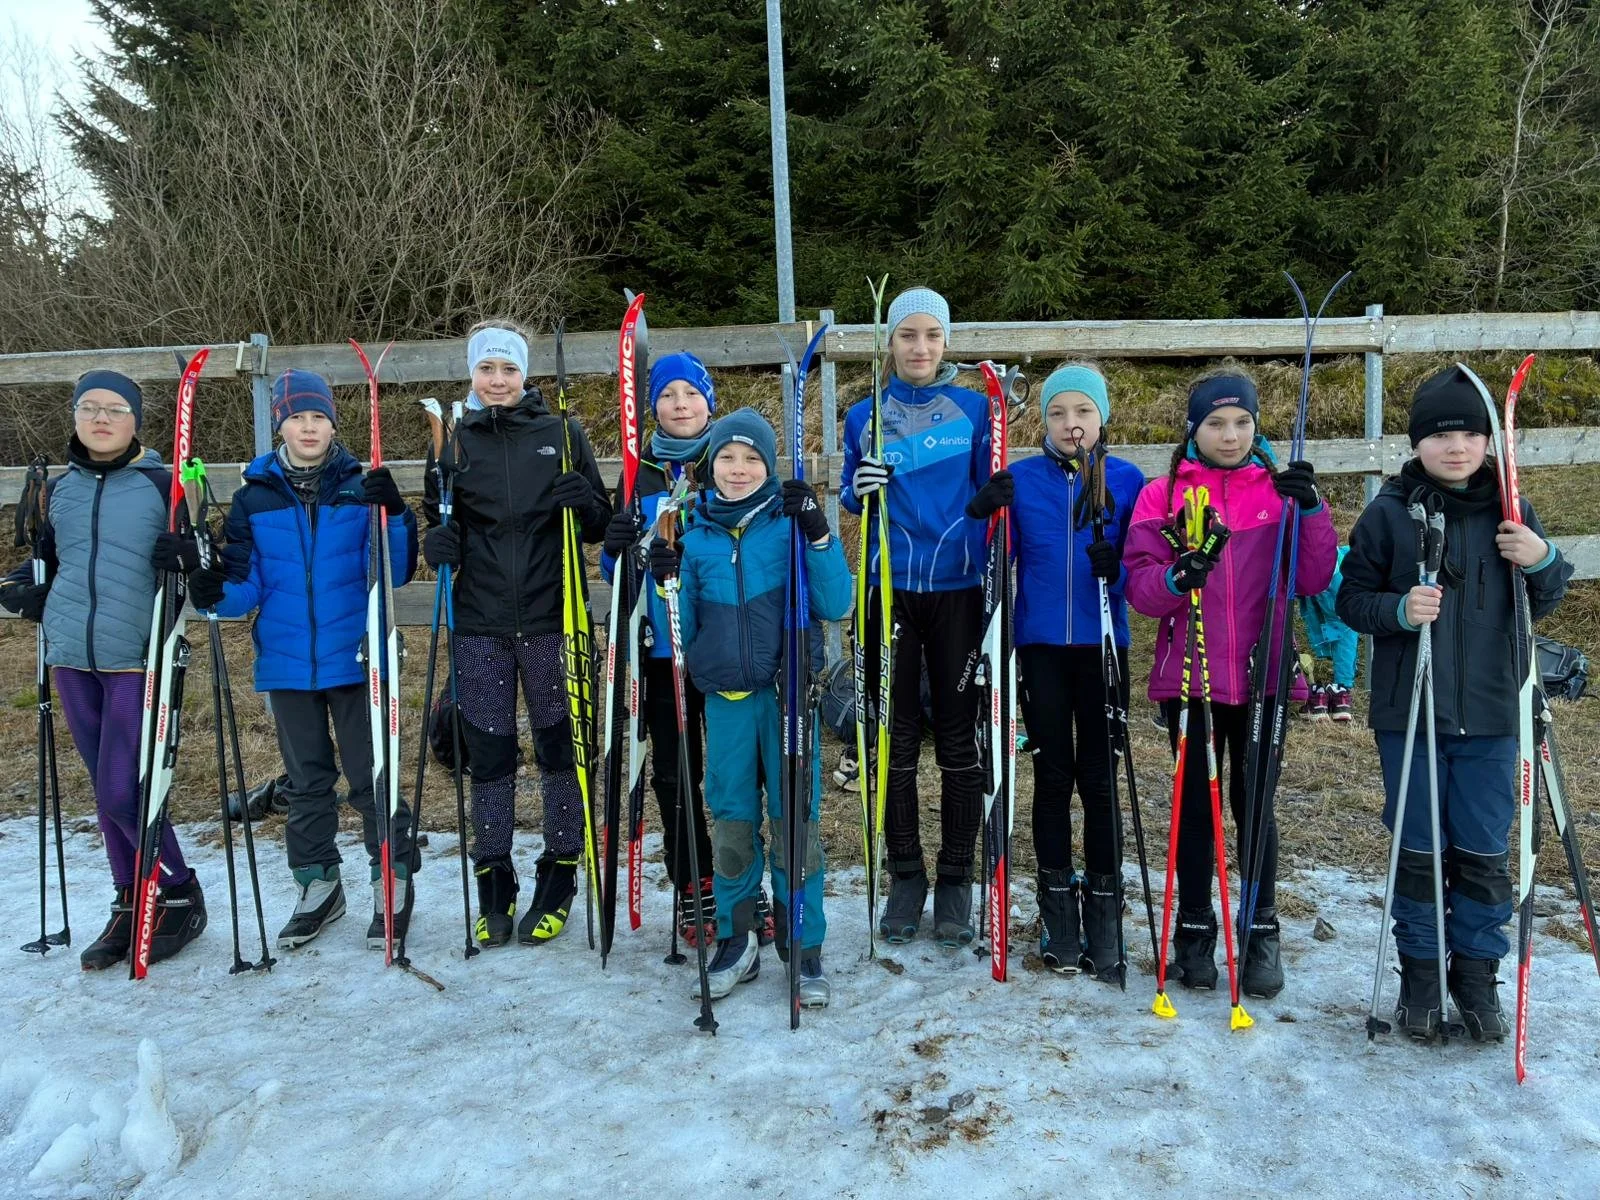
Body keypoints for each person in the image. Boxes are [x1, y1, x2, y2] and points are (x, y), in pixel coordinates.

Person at [1336, 364, 1571, 1041]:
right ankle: (1420, 975)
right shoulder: (1388, 513)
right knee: (1418, 849)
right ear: (1417, 444)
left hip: (1494, 713)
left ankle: (1475, 977)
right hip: (1410, 713)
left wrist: (1540, 557)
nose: (1457, 447)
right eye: (1441, 435)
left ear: (1489, 442)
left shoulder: (1512, 510)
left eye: (1470, 433)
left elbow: (1544, 598)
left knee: (1481, 852)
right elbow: (1352, 600)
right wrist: (1399, 610)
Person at [185, 368, 418, 950]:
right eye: (297, 418)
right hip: (287, 665)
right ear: (278, 426)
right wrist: (209, 586)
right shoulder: (253, 498)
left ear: (332, 425)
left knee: (373, 777)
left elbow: (394, 571)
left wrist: (396, 516)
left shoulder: (358, 486)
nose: (308, 427)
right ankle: (318, 885)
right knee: (307, 781)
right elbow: (244, 590)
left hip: (358, 659)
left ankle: (390, 878)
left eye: (318, 418)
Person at [1124, 367, 1337, 998]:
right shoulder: (1163, 496)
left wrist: (1313, 507)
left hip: (1262, 675)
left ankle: (1261, 930)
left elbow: (1313, 577)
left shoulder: (1278, 491)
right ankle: (1193, 930)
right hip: (1191, 675)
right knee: (1196, 809)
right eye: (1216, 423)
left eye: (1242, 422)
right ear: (1194, 428)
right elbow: (1141, 588)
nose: (1230, 434)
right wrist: (1175, 579)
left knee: (1255, 805)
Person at [0, 371, 207, 969]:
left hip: (137, 656)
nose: (101, 419)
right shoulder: (59, 488)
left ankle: (178, 890)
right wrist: (25, 588)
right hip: (69, 652)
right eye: (89, 407)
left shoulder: (161, 484)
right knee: (103, 789)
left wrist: (190, 556)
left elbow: (207, 562)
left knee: (123, 791)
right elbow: (49, 559)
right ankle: (128, 900)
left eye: (115, 409)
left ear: (135, 420)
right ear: (73, 415)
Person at [649, 409, 852, 1005]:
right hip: (727, 704)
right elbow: (678, 628)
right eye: (728, 459)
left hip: (789, 699)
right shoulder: (693, 534)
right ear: (710, 465)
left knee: (796, 825)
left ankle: (803, 945)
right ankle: (738, 939)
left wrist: (817, 533)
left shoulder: (786, 526)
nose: (739, 470)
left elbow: (836, 601)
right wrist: (663, 581)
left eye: (753, 458)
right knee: (733, 826)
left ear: (768, 465)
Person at [422, 321, 612, 947]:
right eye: (486, 370)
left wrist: (583, 499)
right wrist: (439, 543)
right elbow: (439, 516)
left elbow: (600, 526)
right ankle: (494, 883)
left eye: (508, 370)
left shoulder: (560, 432)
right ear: (472, 375)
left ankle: (559, 875)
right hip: (479, 622)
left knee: (562, 753)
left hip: (555, 617)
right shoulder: (454, 441)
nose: (498, 381)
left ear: (524, 374)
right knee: (490, 757)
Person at [969, 363, 1144, 979]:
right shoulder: (1021, 480)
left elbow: (1144, 570)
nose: (1072, 424)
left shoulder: (1126, 480)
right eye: (1058, 414)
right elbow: (988, 565)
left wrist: (1115, 569)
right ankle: (1057, 912)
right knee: (1051, 774)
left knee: (1098, 779)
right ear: (1043, 421)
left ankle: (1102, 909)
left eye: (1084, 413)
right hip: (1040, 646)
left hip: (1102, 646)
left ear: (1103, 418)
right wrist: (981, 513)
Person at [839, 285, 994, 946]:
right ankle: (907, 877)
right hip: (888, 590)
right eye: (908, 335)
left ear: (946, 341)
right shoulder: (863, 415)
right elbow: (850, 493)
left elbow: (991, 492)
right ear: (890, 342)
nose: (921, 348)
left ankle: (957, 879)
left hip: (958, 589)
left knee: (960, 744)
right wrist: (858, 487)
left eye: (932, 335)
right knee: (892, 741)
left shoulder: (976, 411)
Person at [599, 352, 730, 949]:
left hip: (722, 643)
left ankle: (736, 876)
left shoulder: (731, 459)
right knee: (677, 772)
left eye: (691, 393)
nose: (681, 405)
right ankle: (692, 879)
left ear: (710, 400)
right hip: (658, 648)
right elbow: (613, 573)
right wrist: (617, 545)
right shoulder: (637, 472)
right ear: (651, 406)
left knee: (730, 772)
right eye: (668, 395)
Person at [1299, 545, 1358, 721]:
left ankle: (1333, 693)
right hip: (1325, 565)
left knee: (1342, 627)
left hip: (1312, 568)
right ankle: (1340, 692)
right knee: (1343, 626)